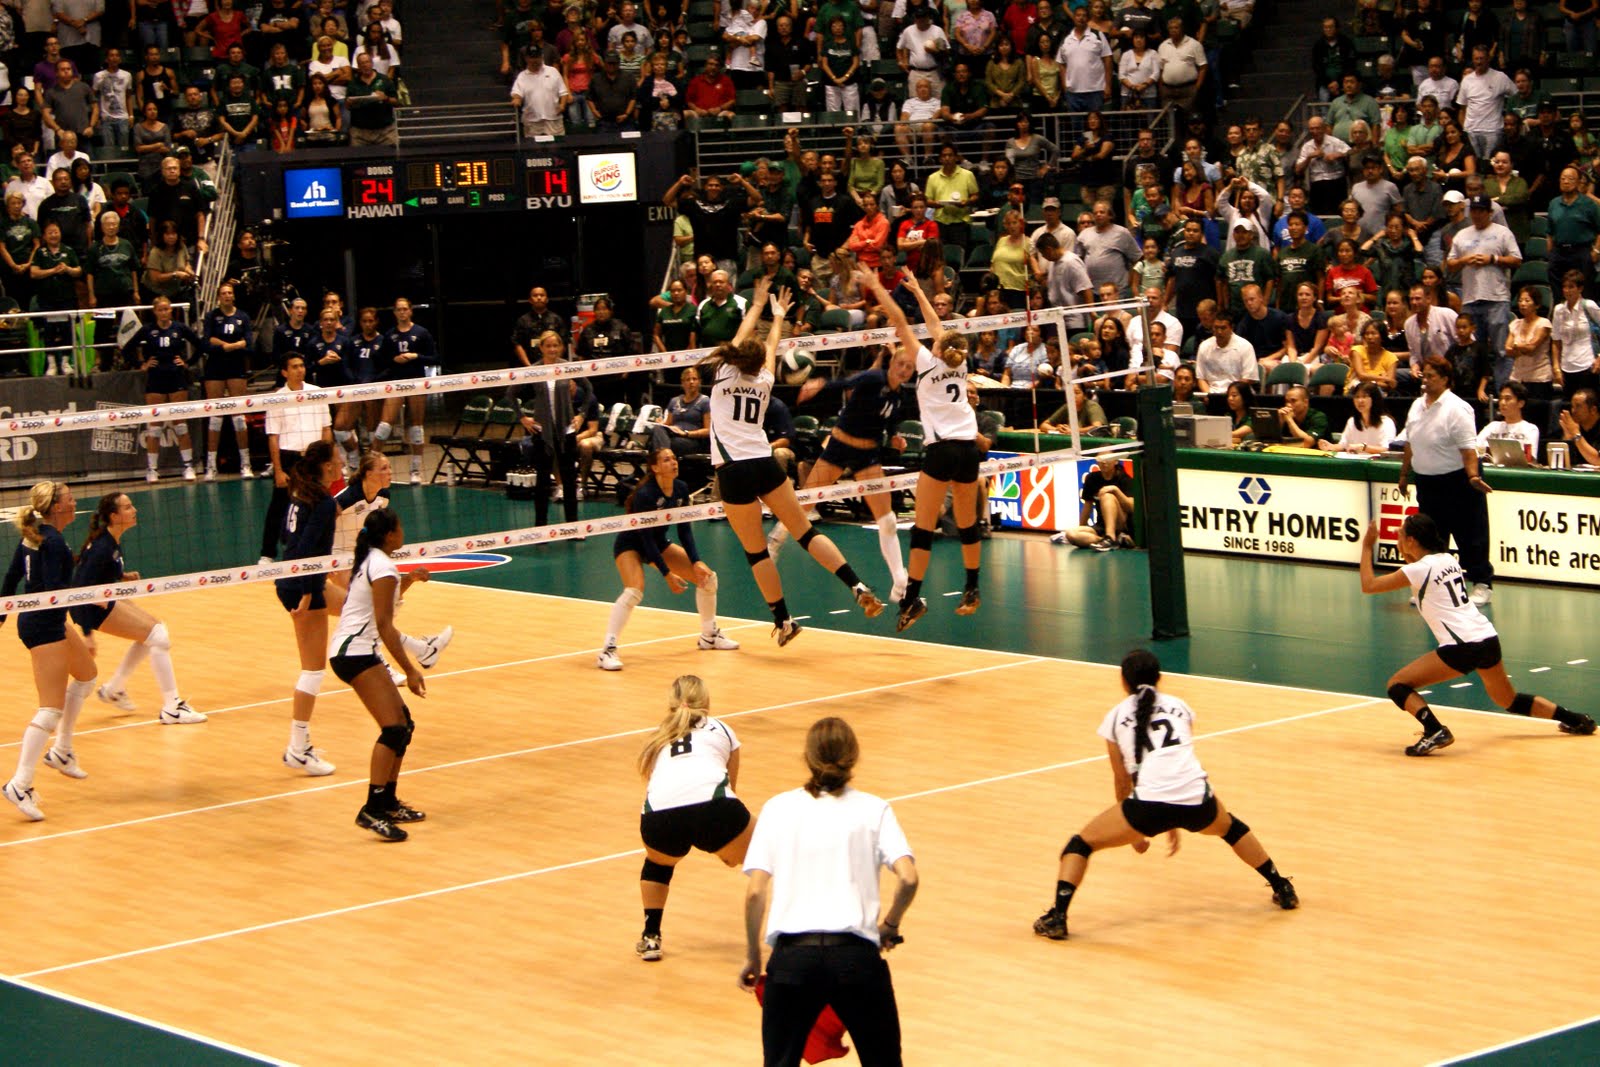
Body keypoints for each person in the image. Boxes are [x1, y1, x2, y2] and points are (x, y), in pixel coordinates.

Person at [1032, 648, 1298, 941]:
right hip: (1197, 800)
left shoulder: (1115, 717)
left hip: (1148, 806)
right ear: (1159, 678)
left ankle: (1058, 916)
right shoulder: (1181, 707)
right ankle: (1281, 887)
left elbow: (1122, 781)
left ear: (1123, 681)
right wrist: (1173, 822)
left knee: (1079, 845)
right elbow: (1174, 763)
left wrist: (1135, 831)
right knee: (1232, 829)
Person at [704, 277, 883, 645]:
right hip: (764, 461)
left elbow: (745, 335)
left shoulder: (723, 374)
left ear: (734, 357)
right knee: (804, 531)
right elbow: (770, 346)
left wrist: (756, 306)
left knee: (756, 552)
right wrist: (780, 315)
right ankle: (856, 583)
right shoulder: (765, 379)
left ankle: (784, 620)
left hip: (734, 470)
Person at [739, 716, 919, 1067]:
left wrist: (754, 956)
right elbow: (909, 878)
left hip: (792, 961)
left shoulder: (778, 808)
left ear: (807, 757)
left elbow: (754, 894)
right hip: (856, 959)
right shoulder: (874, 809)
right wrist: (891, 925)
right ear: (853, 757)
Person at [1359, 514, 1595, 755]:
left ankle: (1434, 730)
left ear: (1411, 540)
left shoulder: (1417, 570)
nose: (1396, 539)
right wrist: (1405, 547)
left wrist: (1367, 546)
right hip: (1487, 638)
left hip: (1462, 646)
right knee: (1508, 700)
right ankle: (1577, 719)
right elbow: (1413, 559)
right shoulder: (1447, 559)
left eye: (1399, 535)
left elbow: (1369, 585)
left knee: (1397, 684)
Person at [864, 268, 982, 630]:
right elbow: (936, 327)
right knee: (967, 524)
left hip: (943, 449)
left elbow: (901, 323)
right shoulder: (959, 366)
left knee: (922, 528)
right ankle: (972, 587)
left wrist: (880, 291)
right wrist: (918, 292)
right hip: (968, 449)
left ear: (937, 348)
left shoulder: (929, 363)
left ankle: (912, 598)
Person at [768, 350, 915, 601]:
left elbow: (889, 424)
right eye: (901, 363)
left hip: (867, 455)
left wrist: (896, 438)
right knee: (806, 503)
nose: (904, 369)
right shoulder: (874, 379)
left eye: (909, 367)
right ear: (892, 363)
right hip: (839, 447)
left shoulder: (900, 395)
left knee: (888, 520)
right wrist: (820, 384)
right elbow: (846, 383)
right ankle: (775, 540)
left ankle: (900, 583)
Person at [634, 674, 753, 961]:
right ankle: (799, 929)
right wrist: (728, 848)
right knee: (766, 852)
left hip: (657, 819)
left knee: (658, 865)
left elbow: (659, 786)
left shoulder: (659, 735)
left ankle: (651, 936)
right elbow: (730, 789)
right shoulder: (723, 729)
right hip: (714, 809)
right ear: (707, 702)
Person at [326, 508, 427, 841]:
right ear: (389, 536)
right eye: (400, 528)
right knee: (394, 728)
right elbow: (385, 625)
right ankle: (371, 809)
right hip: (352, 654)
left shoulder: (374, 560)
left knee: (404, 724)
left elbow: (381, 606)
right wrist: (410, 670)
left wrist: (410, 579)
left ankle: (387, 801)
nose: (403, 532)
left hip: (357, 651)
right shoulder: (382, 566)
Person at [1, 482, 99, 821]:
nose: (75, 502)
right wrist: (90, 593)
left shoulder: (38, 534)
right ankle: (19, 783)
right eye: (70, 498)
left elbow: (12, 576)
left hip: (47, 621)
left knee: (87, 676)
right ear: (57, 507)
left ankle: (62, 751)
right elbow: (57, 589)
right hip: (43, 627)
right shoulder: (52, 541)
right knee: (49, 710)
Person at [69, 493, 206, 726]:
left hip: (101, 600)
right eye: (128, 507)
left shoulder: (110, 540)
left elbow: (97, 571)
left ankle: (114, 689)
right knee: (158, 636)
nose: (135, 510)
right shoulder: (103, 547)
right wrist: (87, 635)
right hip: (90, 609)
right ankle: (172, 707)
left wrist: (121, 576)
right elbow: (80, 590)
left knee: (155, 632)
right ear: (114, 516)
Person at [599, 447, 738, 672]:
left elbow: (685, 531)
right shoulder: (645, 495)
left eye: (674, 458)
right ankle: (607, 650)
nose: (673, 462)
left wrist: (696, 561)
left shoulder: (681, 489)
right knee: (634, 590)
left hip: (658, 542)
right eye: (666, 460)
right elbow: (645, 539)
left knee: (707, 578)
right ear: (654, 468)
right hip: (631, 544)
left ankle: (709, 635)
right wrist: (666, 574)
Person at [1397, 357, 1494, 605]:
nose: (1425, 381)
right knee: (1431, 538)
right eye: (1424, 376)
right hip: (1427, 482)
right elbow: (1411, 442)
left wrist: (1472, 476)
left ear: (1445, 379)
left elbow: (1468, 450)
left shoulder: (1457, 408)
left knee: (1470, 535)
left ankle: (1482, 584)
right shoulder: (1417, 406)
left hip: (1458, 481)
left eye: (1431, 376)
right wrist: (1404, 474)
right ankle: (1432, 585)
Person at [261, 353, 333, 565]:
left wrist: (326, 460)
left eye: (302, 365)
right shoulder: (277, 399)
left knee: (320, 505)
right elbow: (273, 437)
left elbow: (326, 429)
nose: (300, 370)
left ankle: (320, 549)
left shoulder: (317, 393)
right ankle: (267, 553)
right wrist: (278, 470)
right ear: (285, 372)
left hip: (314, 458)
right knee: (279, 508)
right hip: (289, 459)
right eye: (294, 367)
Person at [123, 294, 203, 481]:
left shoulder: (180, 328)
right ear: (155, 312)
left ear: (171, 310)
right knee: (155, 427)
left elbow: (200, 345)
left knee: (180, 425)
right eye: (160, 309)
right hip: (155, 380)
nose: (164, 312)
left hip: (176, 379)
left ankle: (188, 466)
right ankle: (152, 469)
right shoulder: (148, 330)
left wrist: (187, 362)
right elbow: (127, 348)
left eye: (166, 309)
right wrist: (140, 363)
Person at [373, 297, 437, 486]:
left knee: (416, 428)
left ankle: (415, 469)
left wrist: (415, 356)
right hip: (396, 383)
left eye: (405, 309)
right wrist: (395, 360)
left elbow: (435, 358)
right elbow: (382, 360)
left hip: (416, 383)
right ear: (394, 313)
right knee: (384, 425)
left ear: (410, 311)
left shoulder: (421, 333)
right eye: (398, 309)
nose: (402, 312)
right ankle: (370, 464)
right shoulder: (390, 335)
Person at [201, 281, 253, 478]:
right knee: (215, 417)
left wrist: (221, 344)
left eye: (230, 292)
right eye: (223, 293)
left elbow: (249, 344)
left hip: (236, 368)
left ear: (234, 296)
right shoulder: (211, 316)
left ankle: (245, 464)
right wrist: (231, 346)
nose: (227, 296)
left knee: (239, 417)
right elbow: (207, 343)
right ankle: (211, 466)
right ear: (218, 297)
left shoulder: (243, 317)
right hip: (215, 368)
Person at [1051, 452, 1133, 550]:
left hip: (1121, 526)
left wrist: (1115, 490)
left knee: (1107, 496)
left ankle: (1111, 537)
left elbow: (1131, 507)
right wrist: (1081, 528)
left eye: (1108, 458)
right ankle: (1109, 540)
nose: (1104, 462)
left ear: (1116, 461)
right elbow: (1087, 507)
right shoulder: (1092, 478)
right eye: (1101, 459)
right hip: (1101, 527)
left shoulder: (1124, 479)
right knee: (1071, 534)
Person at [1323, 381, 1396, 454]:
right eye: (1357, 397)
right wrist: (1331, 446)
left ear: (1374, 399)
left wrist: (1364, 447)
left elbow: (1387, 449)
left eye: (1364, 396)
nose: (1360, 401)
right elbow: (1344, 445)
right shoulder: (1352, 421)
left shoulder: (1386, 422)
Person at [1476, 380, 1539, 459]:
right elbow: (1475, 447)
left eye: (1507, 399)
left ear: (1521, 403)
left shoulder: (1530, 429)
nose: (1502, 402)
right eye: (1501, 398)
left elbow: (1530, 458)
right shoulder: (1492, 426)